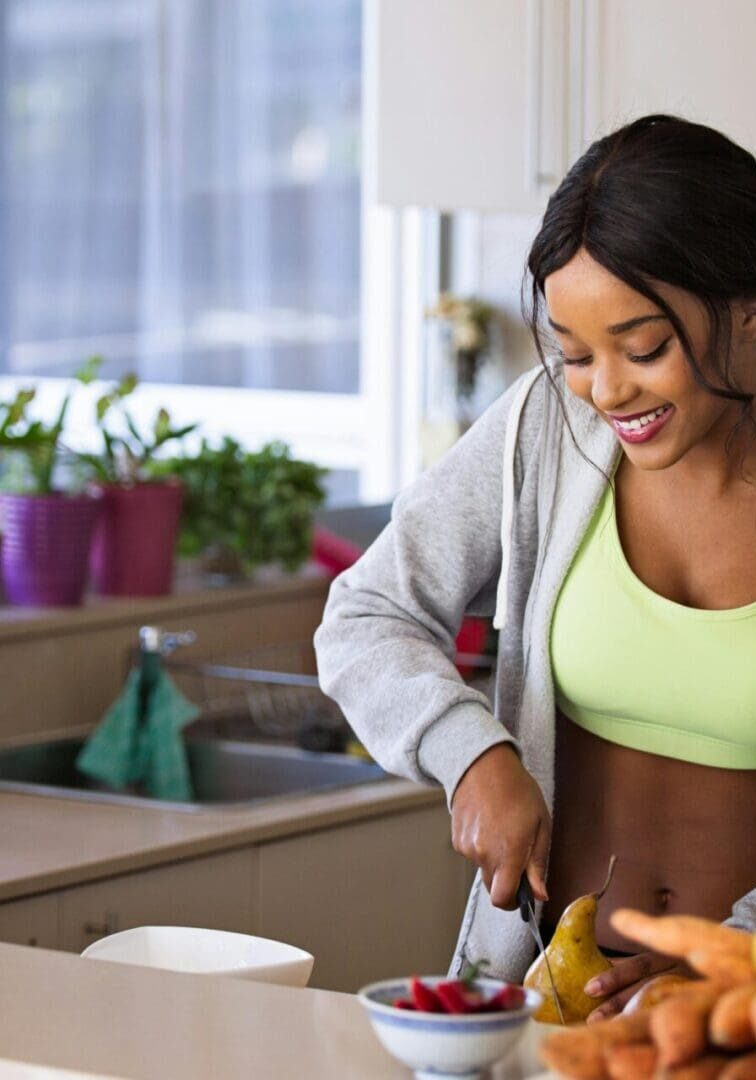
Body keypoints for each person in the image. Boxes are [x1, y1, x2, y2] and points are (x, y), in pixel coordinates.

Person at [314, 114, 756, 1020]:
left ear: (749, 310)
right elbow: (366, 615)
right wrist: (472, 752)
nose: (607, 391)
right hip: (546, 1008)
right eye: (574, 353)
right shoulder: (548, 427)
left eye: (643, 348)